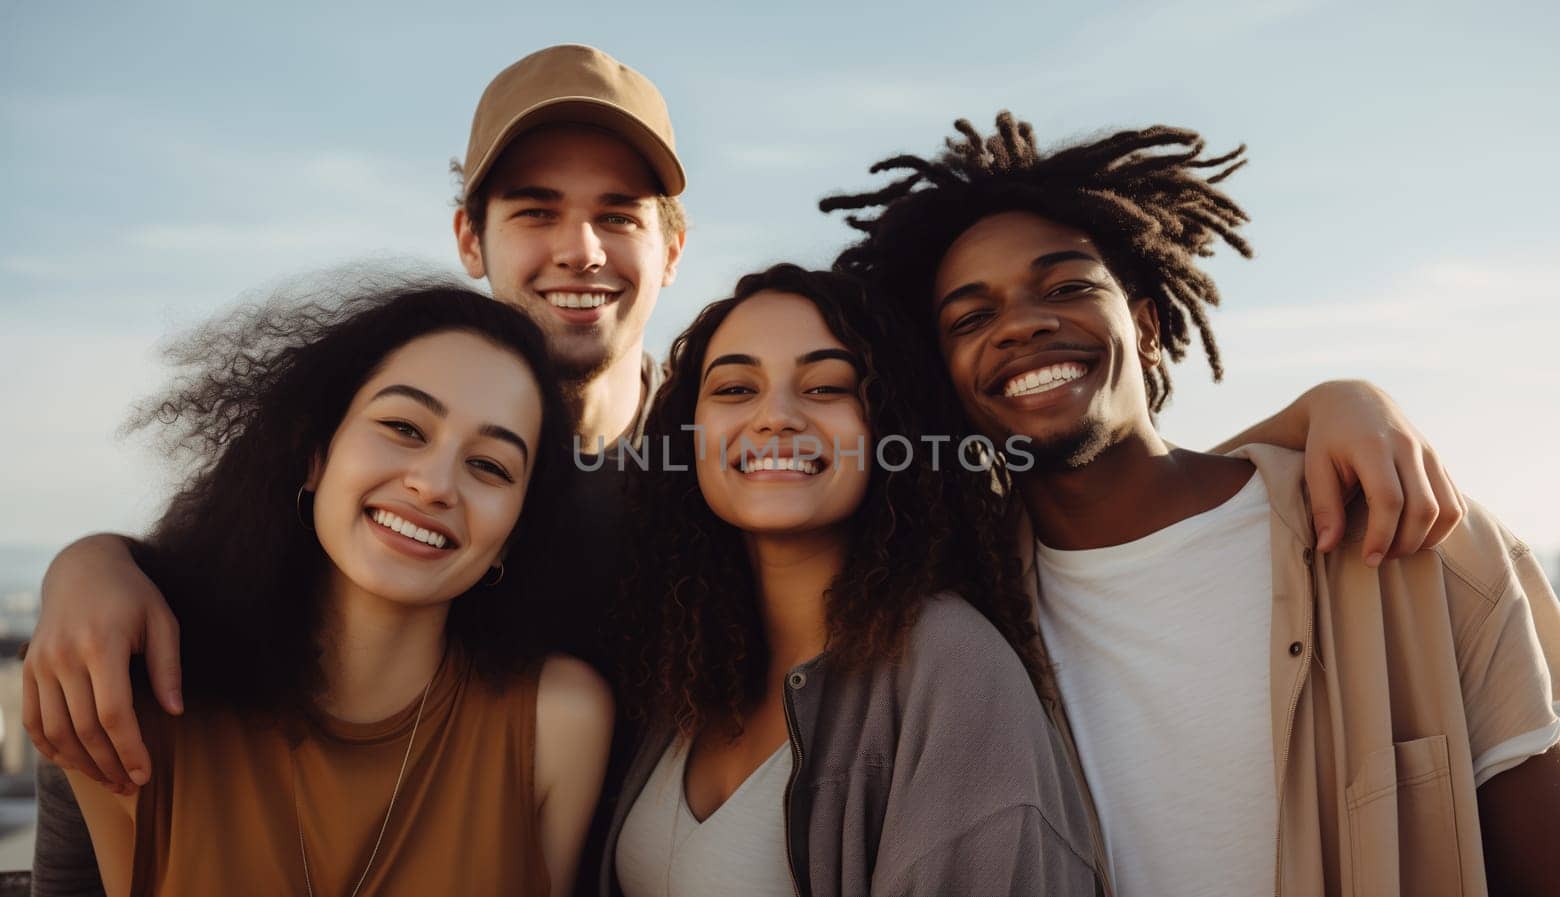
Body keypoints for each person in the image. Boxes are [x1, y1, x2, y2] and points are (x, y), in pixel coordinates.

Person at [26, 45, 1470, 892]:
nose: (579, 249)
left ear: (674, 247)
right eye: (534, 211)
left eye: (621, 212)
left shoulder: (719, 495)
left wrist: (1320, 411)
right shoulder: (376, 493)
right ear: (473, 238)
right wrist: (97, 563)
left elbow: (1052, 446)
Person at [822, 113, 1560, 896]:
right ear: (949, 382)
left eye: (1066, 286)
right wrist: (1322, 403)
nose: (1023, 322)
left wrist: (1334, 400)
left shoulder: (1416, 535)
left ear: (1149, 328)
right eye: (972, 317)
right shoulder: (969, 624)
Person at [58, 280, 612, 896]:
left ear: (512, 534)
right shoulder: (143, 705)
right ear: (315, 456)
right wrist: (86, 560)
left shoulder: (558, 723)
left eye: (489, 466)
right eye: (404, 427)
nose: (434, 485)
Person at [604, 263, 1095, 896]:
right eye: (733, 390)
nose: (775, 417)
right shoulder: (688, 656)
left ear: (887, 430)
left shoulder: (953, 669)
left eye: (826, 387)